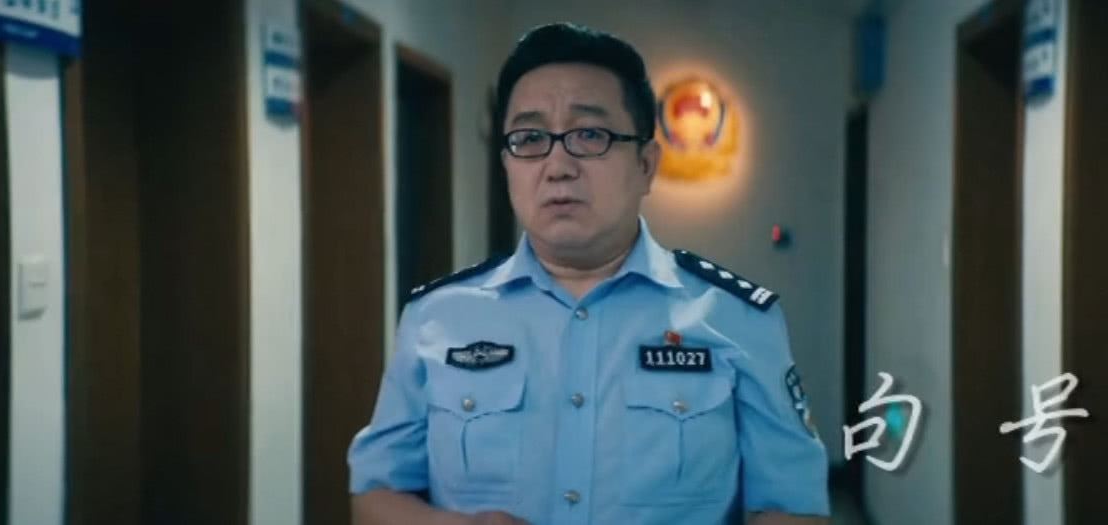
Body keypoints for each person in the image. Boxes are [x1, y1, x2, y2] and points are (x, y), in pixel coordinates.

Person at [348, 22, 830, 525]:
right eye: (529, 138)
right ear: (507, 164)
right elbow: (374, 494)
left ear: (646, 165)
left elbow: (794, 507)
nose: (558, 165)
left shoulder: (739, 320)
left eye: (590, 135)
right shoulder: (435, 318)